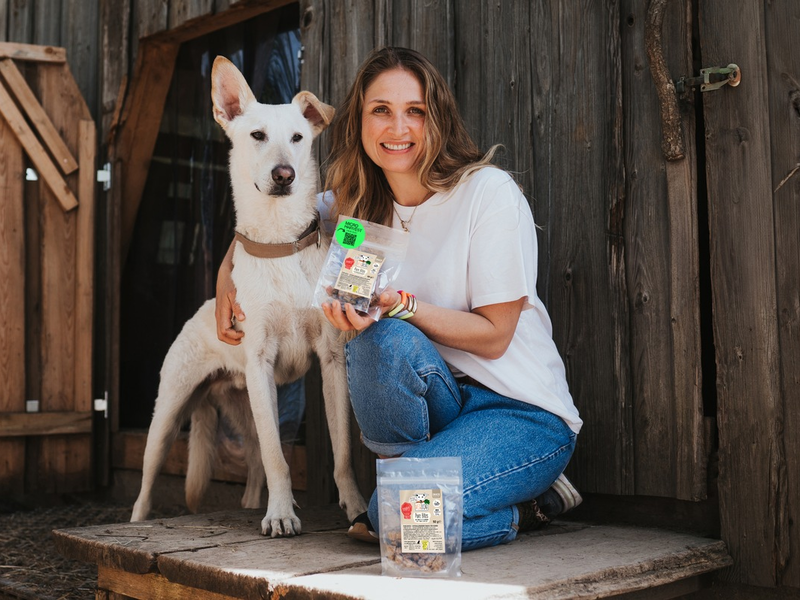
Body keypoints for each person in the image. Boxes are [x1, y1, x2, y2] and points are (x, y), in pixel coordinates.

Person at [216, 46, 583, 551]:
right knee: (374, 341)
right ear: (360, 124)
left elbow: (496, 337)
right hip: (441, 404)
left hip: (518, 410)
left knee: (395, 523)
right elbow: (268, 224)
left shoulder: (488, 195)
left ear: (438, 119)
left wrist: (399, 304)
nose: (398, 128)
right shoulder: (353, 206)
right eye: (381, 111)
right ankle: (414, 489)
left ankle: (527, 507)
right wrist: (224, 279)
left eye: (415, 111)